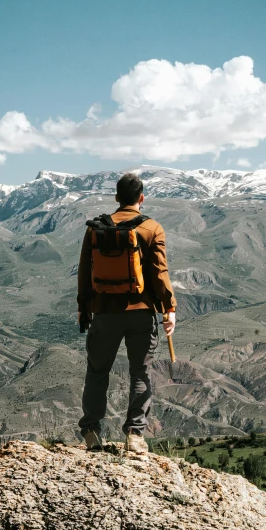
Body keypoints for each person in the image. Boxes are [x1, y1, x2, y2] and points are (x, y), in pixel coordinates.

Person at [77, 172, 177, 453]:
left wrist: (84, 309)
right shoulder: (152, 228)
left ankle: (92, 432)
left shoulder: (94, 229)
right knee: (140, 372)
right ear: (142, 198)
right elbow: (160, 273)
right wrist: (170, 308)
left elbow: (85, 273)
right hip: (141, 314)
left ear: (117, 198)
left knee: (97, 372)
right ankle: (134, 435)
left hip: (104, 313)